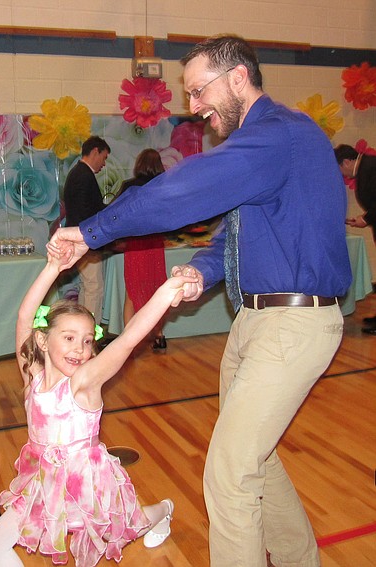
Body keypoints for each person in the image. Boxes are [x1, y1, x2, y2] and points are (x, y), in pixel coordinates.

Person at [48, 34, 351, 567]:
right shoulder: (265, 146)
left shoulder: (278, 135)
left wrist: (92, 232)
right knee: (256, 462)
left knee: (229, 475)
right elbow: (235, 238)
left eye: (197, 91)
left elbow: (180, 192)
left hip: (292, 325)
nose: (192, 108)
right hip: (254, 322)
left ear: (239, 78)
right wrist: (202, 271)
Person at [0, 246, 194, 567]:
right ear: (42, 341)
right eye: (68, 338)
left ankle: (164, 510)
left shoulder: (84, 382)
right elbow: (25, 317)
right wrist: (53, 267)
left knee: (127, 526)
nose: (79, 348)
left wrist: (166, 292)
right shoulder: (32, 376)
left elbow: (128, 338)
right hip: (44, 484)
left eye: (86, 340)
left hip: (89, 486)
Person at [114, 148, 168, 352]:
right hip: (155, 243)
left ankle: (128, 342)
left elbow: (115, 213)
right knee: (156, 290)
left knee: (132, 292)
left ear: (139, 164)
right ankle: (159, 336)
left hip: (135, 243)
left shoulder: (129, 186)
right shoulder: (163, 185)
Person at [62, 136, 110, 326]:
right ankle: (91, 333)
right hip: (86, 239)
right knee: (94, 287)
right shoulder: (84, 175)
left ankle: (82, 329)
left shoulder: (77, 173)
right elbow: (86, 212)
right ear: (95, 151)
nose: (104, 164)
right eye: (104, 158)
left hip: (80, 237)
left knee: (87, 286)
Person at [334, 143, 376, 333]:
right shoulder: (367, 166)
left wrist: (366, 218)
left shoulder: (371, 167)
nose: (342, 175)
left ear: (347, 162)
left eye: (340, 169)